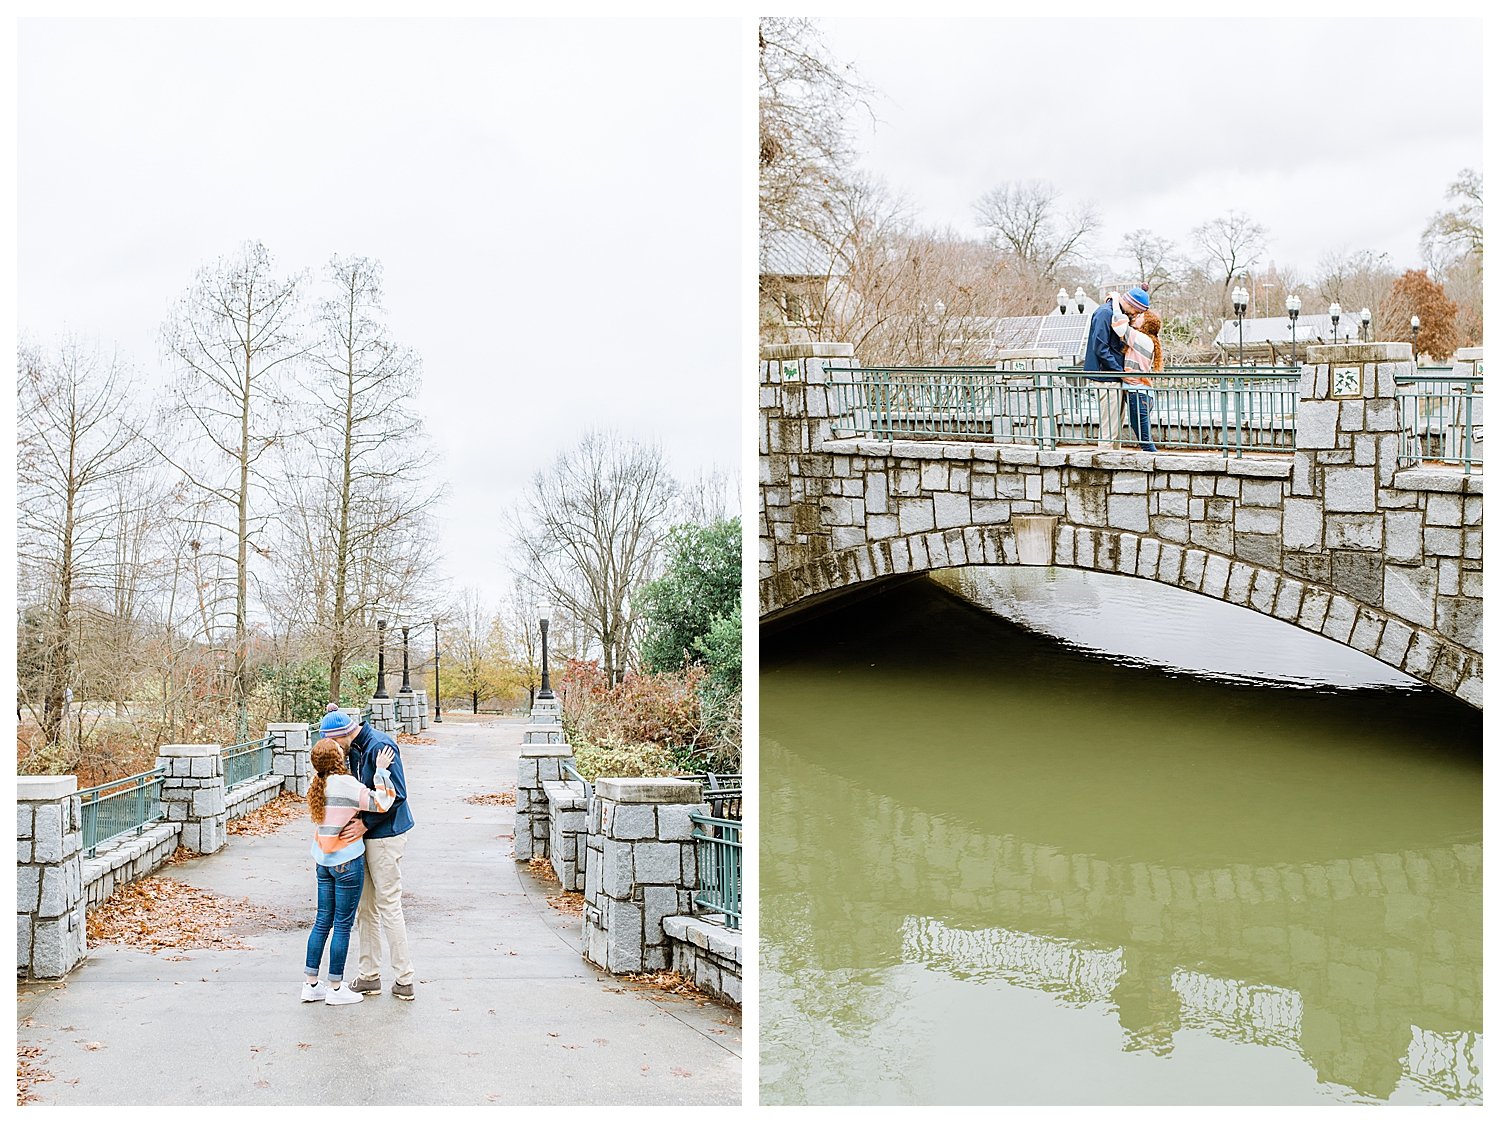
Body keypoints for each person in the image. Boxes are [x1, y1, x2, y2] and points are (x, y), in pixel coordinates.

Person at [317, 704, 417, 1001]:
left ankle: (404, 979)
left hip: (386, 835)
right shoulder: (354, 749)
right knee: (365, 908)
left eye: (332, 742)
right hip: (364, 839)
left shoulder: (380, 747)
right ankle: (369, 975)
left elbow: (397, 795)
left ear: (343, 736)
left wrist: (364, 824)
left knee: (388, 905)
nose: (332, 750)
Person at [302, 736, 397, 1005]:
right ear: (338, 759)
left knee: (322, 922)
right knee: (342, 925)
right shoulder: (347, 785)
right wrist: (380, 771)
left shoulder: (315, 785)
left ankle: (311, 986)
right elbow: (383, 803)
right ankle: (334, 988)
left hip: (323, 862)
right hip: (346, 862)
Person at [1084, 286, 1150, 448]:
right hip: (1106, 377)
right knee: (1109, 430)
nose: (1135, 314)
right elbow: (1100, 348)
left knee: (1116, 429)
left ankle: (1113, 462)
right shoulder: (1104, 313)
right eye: (1136, 310)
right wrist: (1120, 372)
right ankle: (1104, 464)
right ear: (1130, 303)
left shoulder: (1115, 313)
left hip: (1114, 376)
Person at [1110, 299, 1164, 453]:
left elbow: (1119, 326)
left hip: (1139, 393)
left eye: (1140, 316)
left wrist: (1115, 301)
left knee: (1144, 440)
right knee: (1142, 435)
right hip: (1141, 393)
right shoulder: (1144, 340)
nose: (1136, 316)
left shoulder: (1142, 339)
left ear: (1146, 324)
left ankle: (1157, 465)